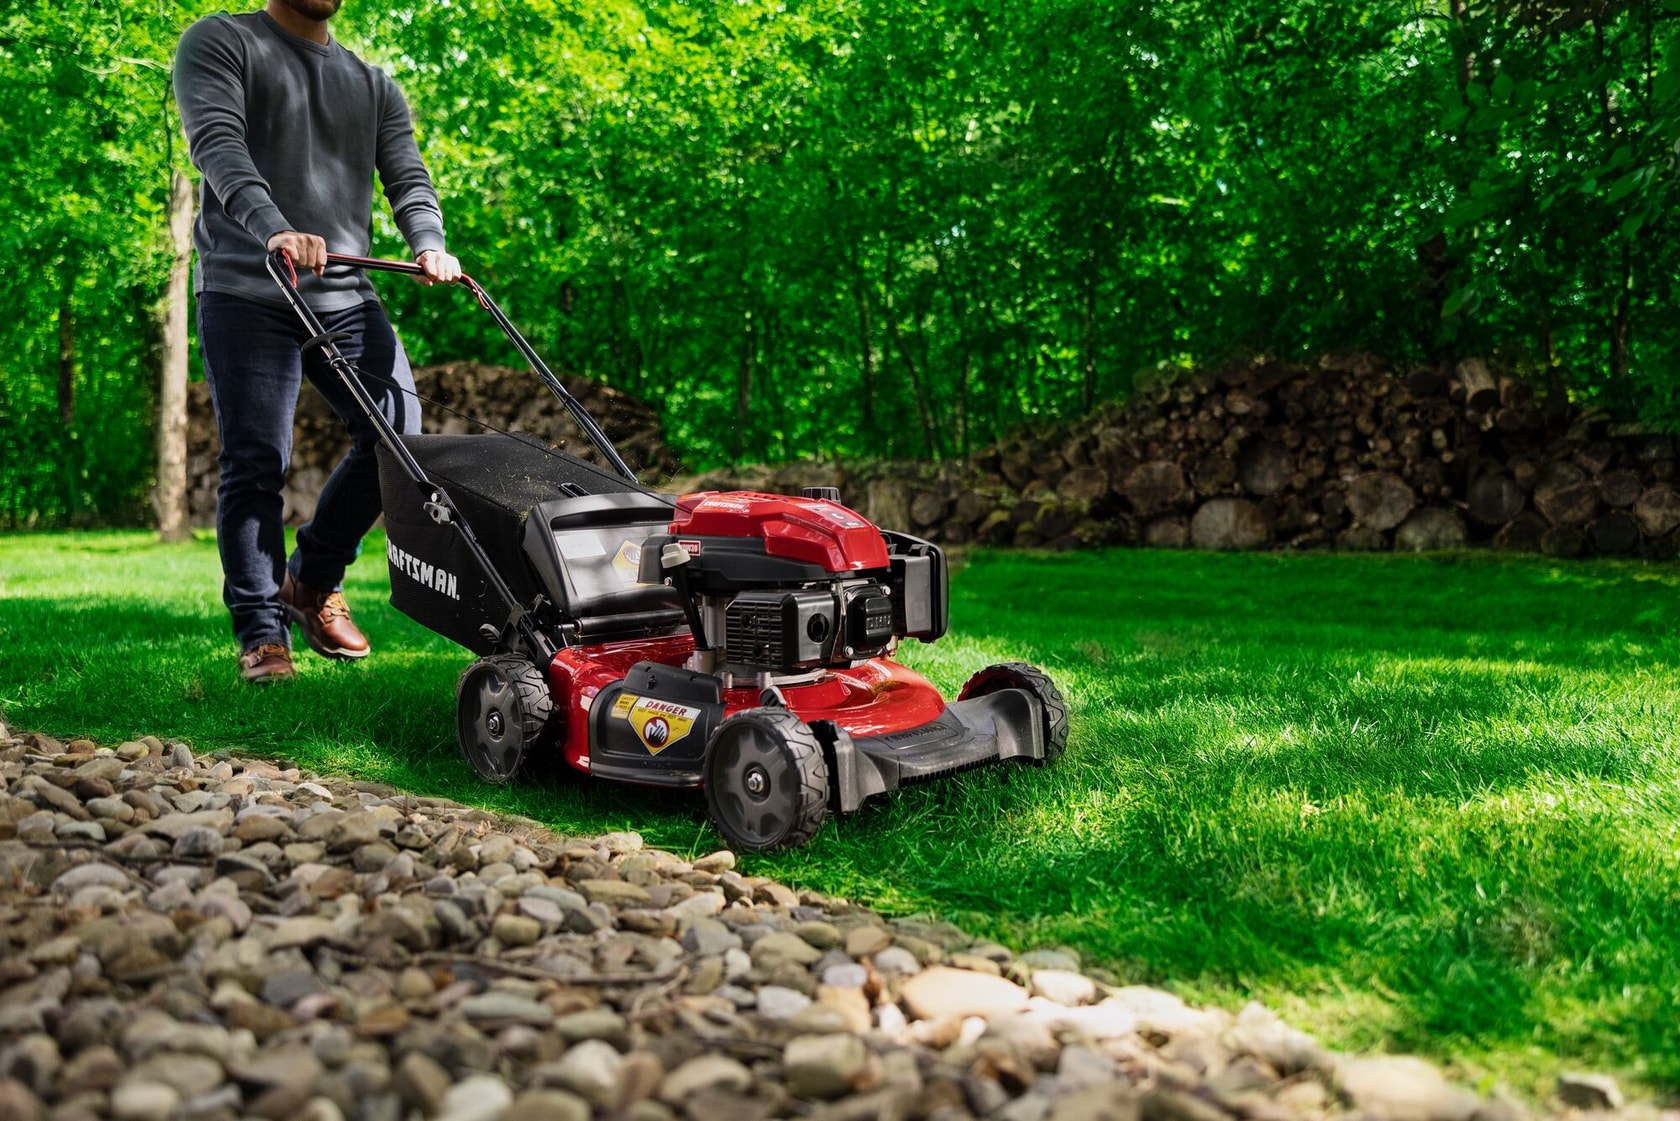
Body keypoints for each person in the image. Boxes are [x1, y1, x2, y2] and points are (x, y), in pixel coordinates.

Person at [174, 0, 461, 683]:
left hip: (344, 294)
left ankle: (310, 580)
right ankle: (261, 632)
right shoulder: (221, 41)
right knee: (256, 462)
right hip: (248, 289)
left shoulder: (373, 84)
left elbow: (409, 178)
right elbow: (218, 145)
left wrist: (428, 243)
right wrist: (273, 226)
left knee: (399, 440)